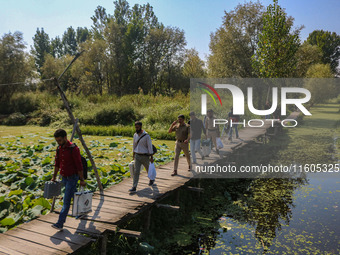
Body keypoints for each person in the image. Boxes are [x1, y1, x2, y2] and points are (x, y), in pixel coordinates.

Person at [51, 129, 86, 230]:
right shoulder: (59, 148)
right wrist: (54, 176)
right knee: (74, 195)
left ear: (65, 138)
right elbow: (57, 164)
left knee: (66, 201)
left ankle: (60, 223)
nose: (59, 142)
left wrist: (82, 179)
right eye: (57, 141)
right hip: (64, 177)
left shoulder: (73, 149)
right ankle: (81, 212)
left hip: (72, 177)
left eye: (60, 140)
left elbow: (79, 165)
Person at [130, 121, 154, 193]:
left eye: (137, 127)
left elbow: (150, 147)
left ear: (140, 127)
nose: (136, 129)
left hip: (145, 156)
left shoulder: (146, 136)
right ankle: (134, 186)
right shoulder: (135, 135)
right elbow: (134, 145)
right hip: (137, 155)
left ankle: (151, 179)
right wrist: (133, 154)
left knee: (148, 169)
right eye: (135, 127)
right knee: (136, 171)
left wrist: (151, 157)